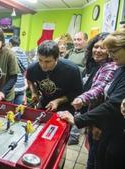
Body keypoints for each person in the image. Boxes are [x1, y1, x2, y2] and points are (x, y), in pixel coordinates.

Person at [58, 29, 125, 169]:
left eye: (112, 50)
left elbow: (107, 97)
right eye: (96, 46)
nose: (110, 54)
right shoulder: (116, 67)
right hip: (100, 122)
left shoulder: (112, 67)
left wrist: (80, 116)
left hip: (110, 128)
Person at [72, 33, 117, 167]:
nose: (97, 50)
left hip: (101, 121)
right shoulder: (98, 65)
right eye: (96, 47)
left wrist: (81, 98)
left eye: (102, 48)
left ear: (111, 50)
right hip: (94, 118)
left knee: (95, 160)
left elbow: (99, 88)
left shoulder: (110, 66)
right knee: (92, 155)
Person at [26, 40, 82, 113]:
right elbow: (29, 80)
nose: (43, 65)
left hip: (65, 107)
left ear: (57, 58)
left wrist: (58, 101)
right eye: (40, 60)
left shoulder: (72, 70)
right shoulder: (32, 68)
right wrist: (34, 92)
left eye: (47, 61)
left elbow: (77, 92)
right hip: (44, 104)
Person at [9, 36, 28, 105]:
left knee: (9, 111)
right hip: (21, 86)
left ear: (10, 44)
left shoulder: (10, 53)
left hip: (12, 86)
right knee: (18, 110)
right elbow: (26, 69)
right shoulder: (23, 53)